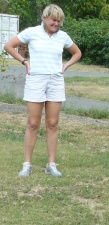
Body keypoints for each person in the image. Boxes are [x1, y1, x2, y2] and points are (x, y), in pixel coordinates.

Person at [3, 4, 82, 177]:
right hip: (36, 80)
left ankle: (51, 165)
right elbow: (8, 46)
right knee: (33, 124)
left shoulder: (63, 36)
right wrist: (25, 62)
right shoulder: (32, 32)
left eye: (59, 21)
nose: (57, 23)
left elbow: (77, 53)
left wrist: (66, 65)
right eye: (54, 20)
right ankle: (27, 164)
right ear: (45, 18)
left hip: (55, 81)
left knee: (52, 124)